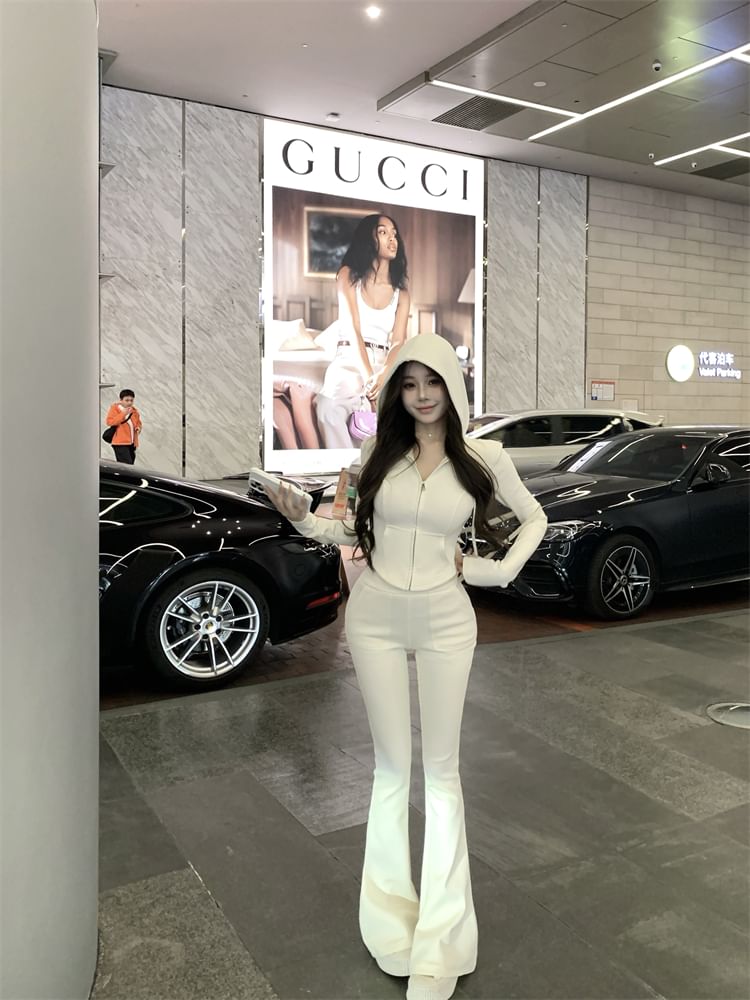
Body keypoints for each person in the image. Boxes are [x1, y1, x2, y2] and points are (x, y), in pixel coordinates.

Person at [265, 334, 547, 1000]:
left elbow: (534, 520)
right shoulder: (377, 454)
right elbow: (349, 530)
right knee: (391, 771)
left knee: (443, 775)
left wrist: (493, 572)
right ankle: (390, 921)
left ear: (452, 386)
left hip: (448, 617)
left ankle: (442, 940)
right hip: (377, 618)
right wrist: (304, 519)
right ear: (396, 391)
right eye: (410, 383)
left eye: (433, 381)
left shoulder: (484, 457)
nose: (422, 395)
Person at [315, 213, 411, 448]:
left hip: (384, 364)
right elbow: (352, 328)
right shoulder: (347, 275)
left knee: (397, 416)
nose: (392, 239)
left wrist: (384, 374)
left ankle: (374, 465)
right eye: (383, 232)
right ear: (369, 238)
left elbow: (398, 341)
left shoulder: (402, 293)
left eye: (394, 234)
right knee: (328, 408)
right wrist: (370, 380)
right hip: (349, 358)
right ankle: (346, 467)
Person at [105, 388, 142, 464]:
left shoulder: (134, 411)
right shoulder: (115, 409)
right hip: (120, 443)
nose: (129, 402)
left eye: (131, 400)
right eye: (127, 400)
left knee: (130, 464)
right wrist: (123, 414)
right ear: (121, 400)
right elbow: (110, 422)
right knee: (126, 465)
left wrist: (138, 428)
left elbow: (138, 422)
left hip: (132, 443)